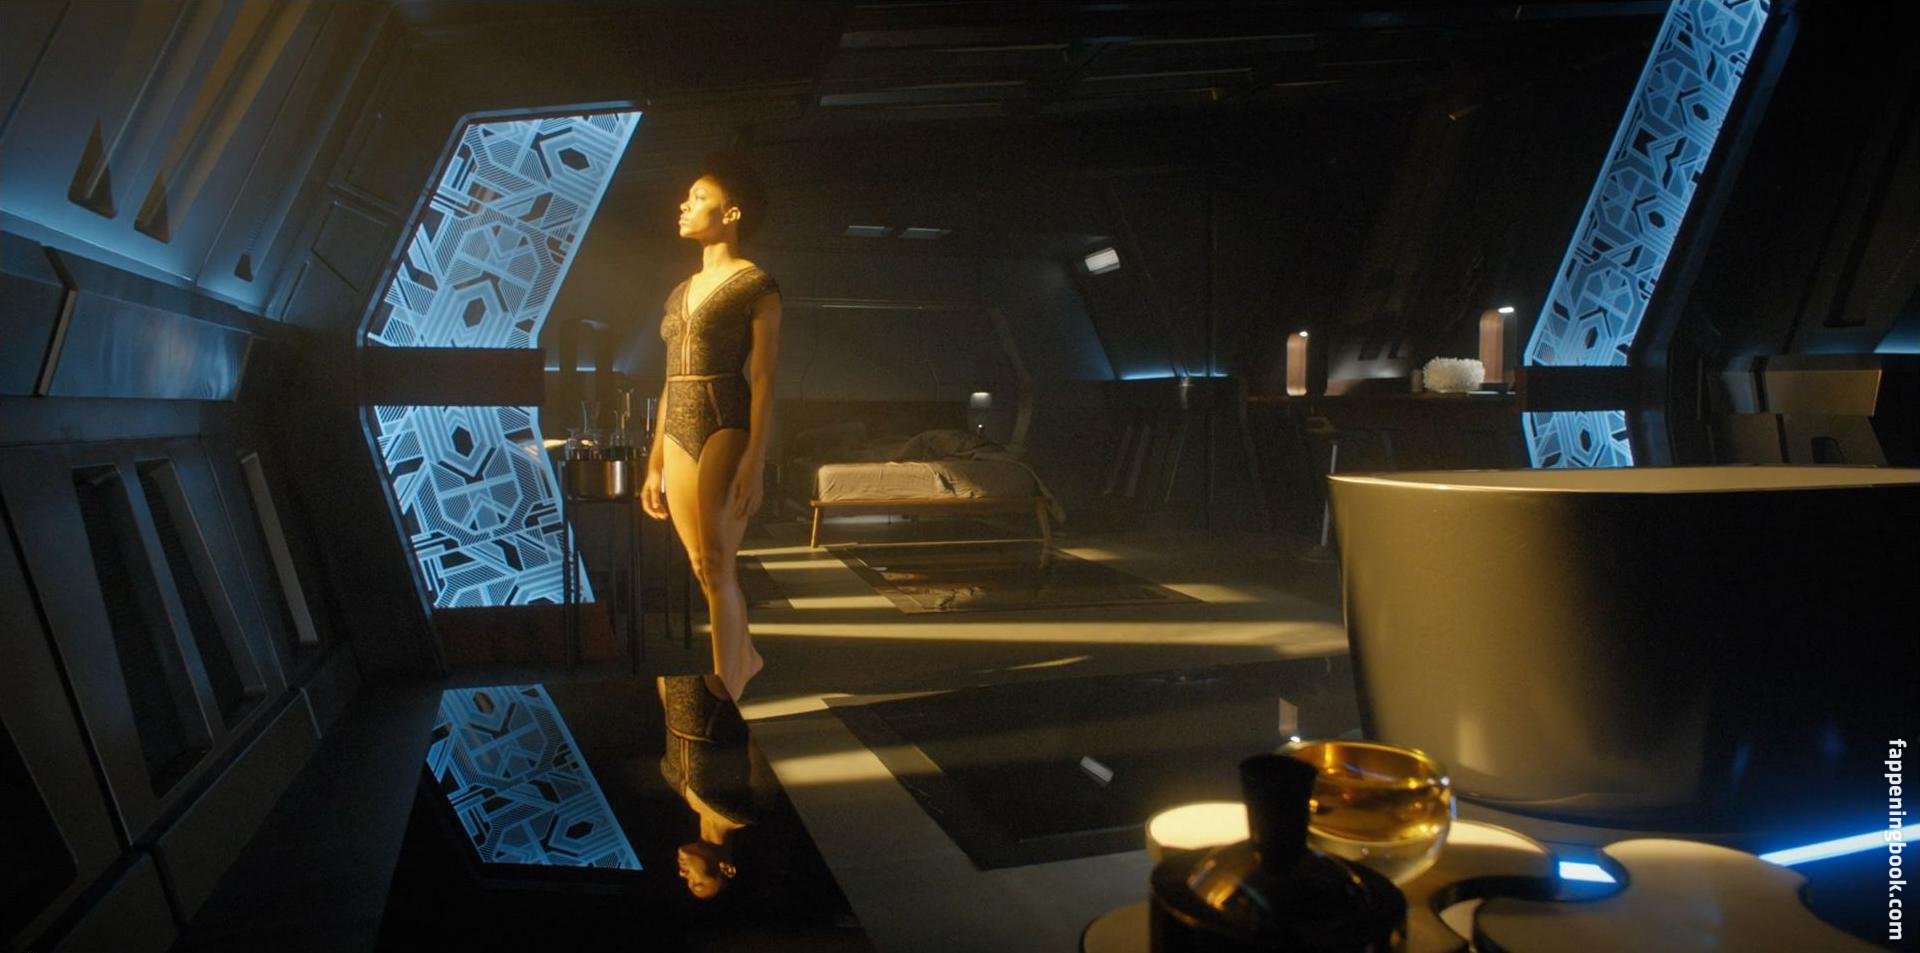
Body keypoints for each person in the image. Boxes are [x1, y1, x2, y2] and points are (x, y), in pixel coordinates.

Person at [640, 156, 781, 701]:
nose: (685, 204)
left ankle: (728, 689)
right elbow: (669, 379)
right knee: (702, 566)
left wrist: (755, 462)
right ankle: (747, 657)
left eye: (699, 197)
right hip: (677, 421)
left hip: (726, 417)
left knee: (719, 564)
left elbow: (764, 379)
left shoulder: (757, 285)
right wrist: (654, 463)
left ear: (732, 212)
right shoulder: (678, 292)